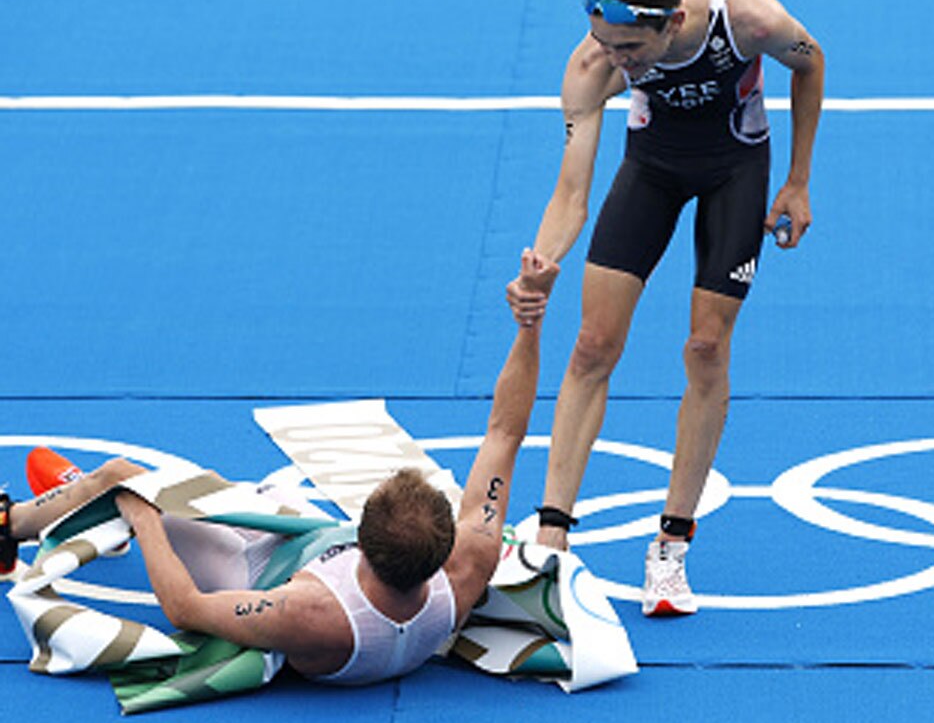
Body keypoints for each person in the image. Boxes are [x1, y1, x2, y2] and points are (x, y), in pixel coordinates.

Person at [3, 250, 559, 685]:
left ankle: (24, 524)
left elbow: (185, 608)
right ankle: (98, 511)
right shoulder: (467, 566)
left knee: (125, 477)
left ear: (361, 539)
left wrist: (140, 513)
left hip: (254, 567)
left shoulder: (309, 613)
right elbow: (505, 433)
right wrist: (529, 323)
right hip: (306, 546)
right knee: (231, 494)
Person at [506, 0, 824, 616]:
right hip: (650, 171)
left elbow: (811, 61)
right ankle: (552, 540)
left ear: (671, 23)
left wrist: (797, 182)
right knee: (593, 344)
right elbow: (571, 193)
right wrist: (540, 264)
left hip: (735, 172)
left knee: (706, 348)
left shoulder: (748, 18)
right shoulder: (592, 64)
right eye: (604, 43)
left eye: (629, 48)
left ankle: (671, 549)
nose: (614, 60)